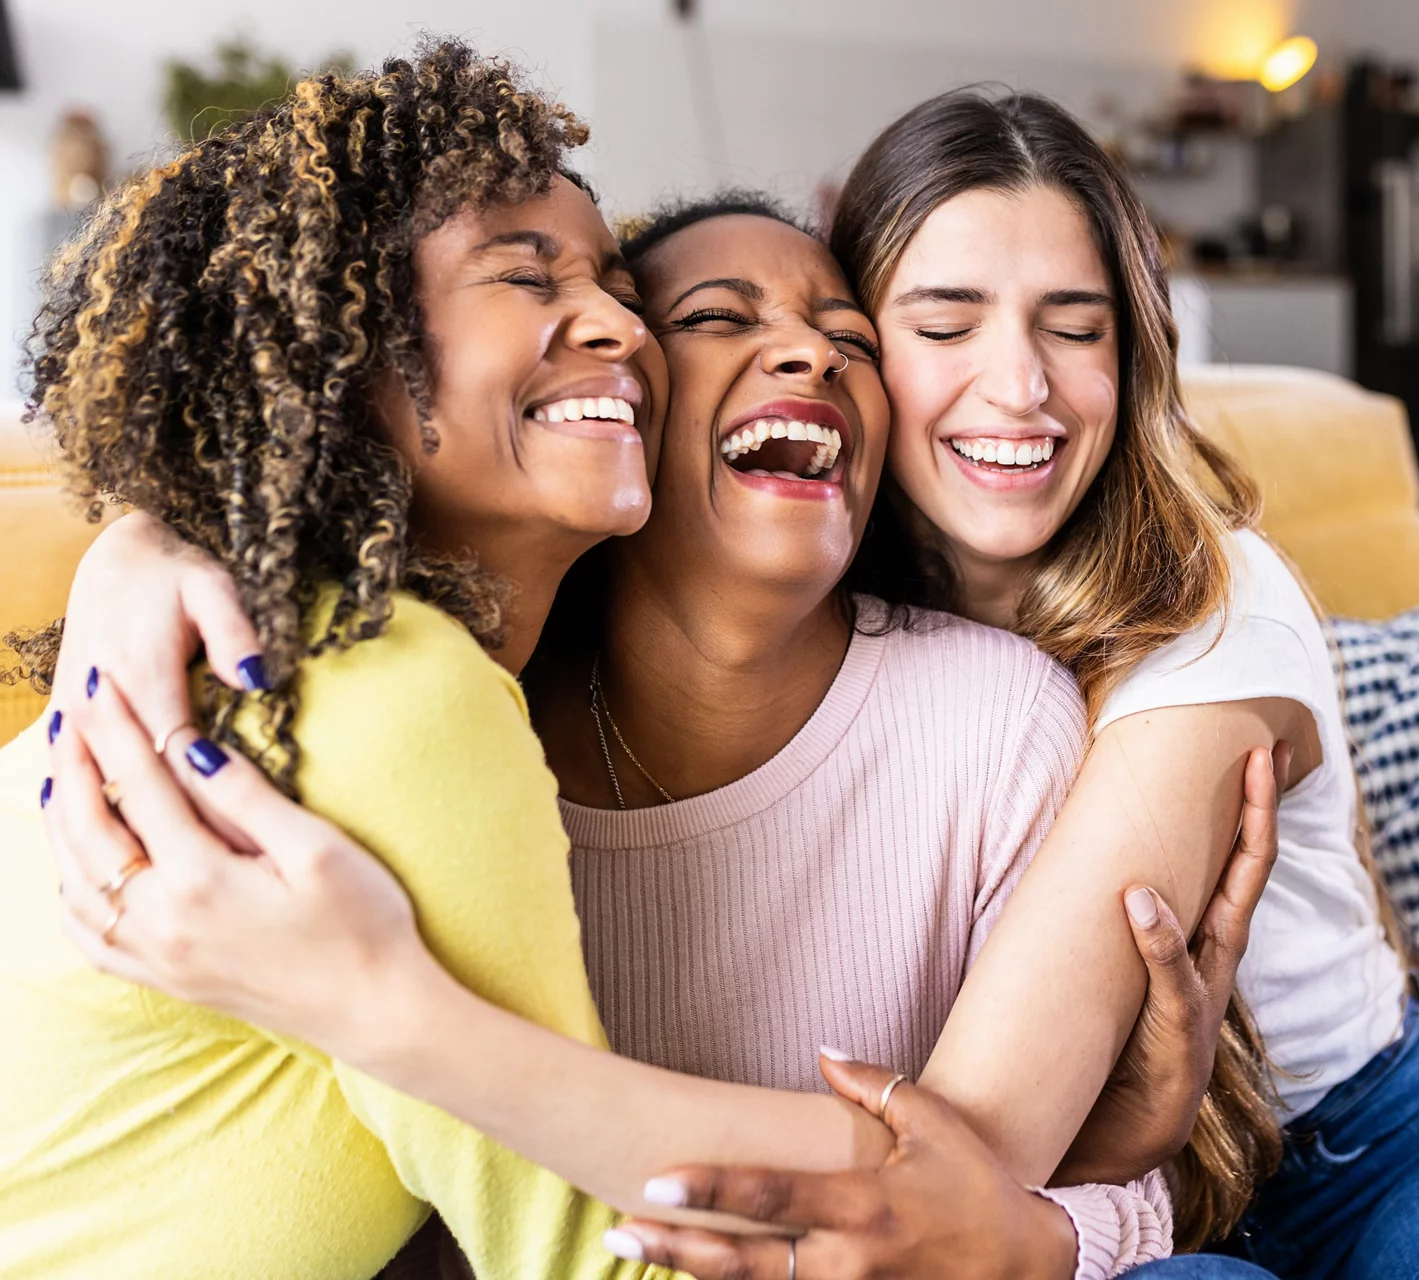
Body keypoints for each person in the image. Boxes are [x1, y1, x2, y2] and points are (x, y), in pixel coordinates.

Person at [24, 80, 1282, 1280]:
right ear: (335, 358)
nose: (617, 325)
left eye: (851, 338)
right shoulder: (413, 701)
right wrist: (142, 539)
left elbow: (965, 1193)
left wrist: (1079, 1179)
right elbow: (591, 1246)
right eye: (712, 319)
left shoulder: (998, 712)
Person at [611, 91, 1419, 1280]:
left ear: (1134, 348)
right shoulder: (825, 610)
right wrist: (1138, 1133)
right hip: (1129, 1209)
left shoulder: (1214, 602)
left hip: (1374, 1152)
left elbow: (978, 1144)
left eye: (1075, 326)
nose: (1021, 386)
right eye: (946, 325)